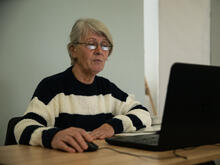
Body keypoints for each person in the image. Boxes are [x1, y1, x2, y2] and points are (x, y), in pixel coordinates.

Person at [14, 18, 152, 153]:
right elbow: (22, 127)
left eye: (105, 45)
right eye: (91, 44)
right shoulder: (52, 86)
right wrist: (53, 136)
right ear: (73, 50)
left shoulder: (107, 89)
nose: (99, 50)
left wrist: (112, 126)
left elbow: (143, 113)